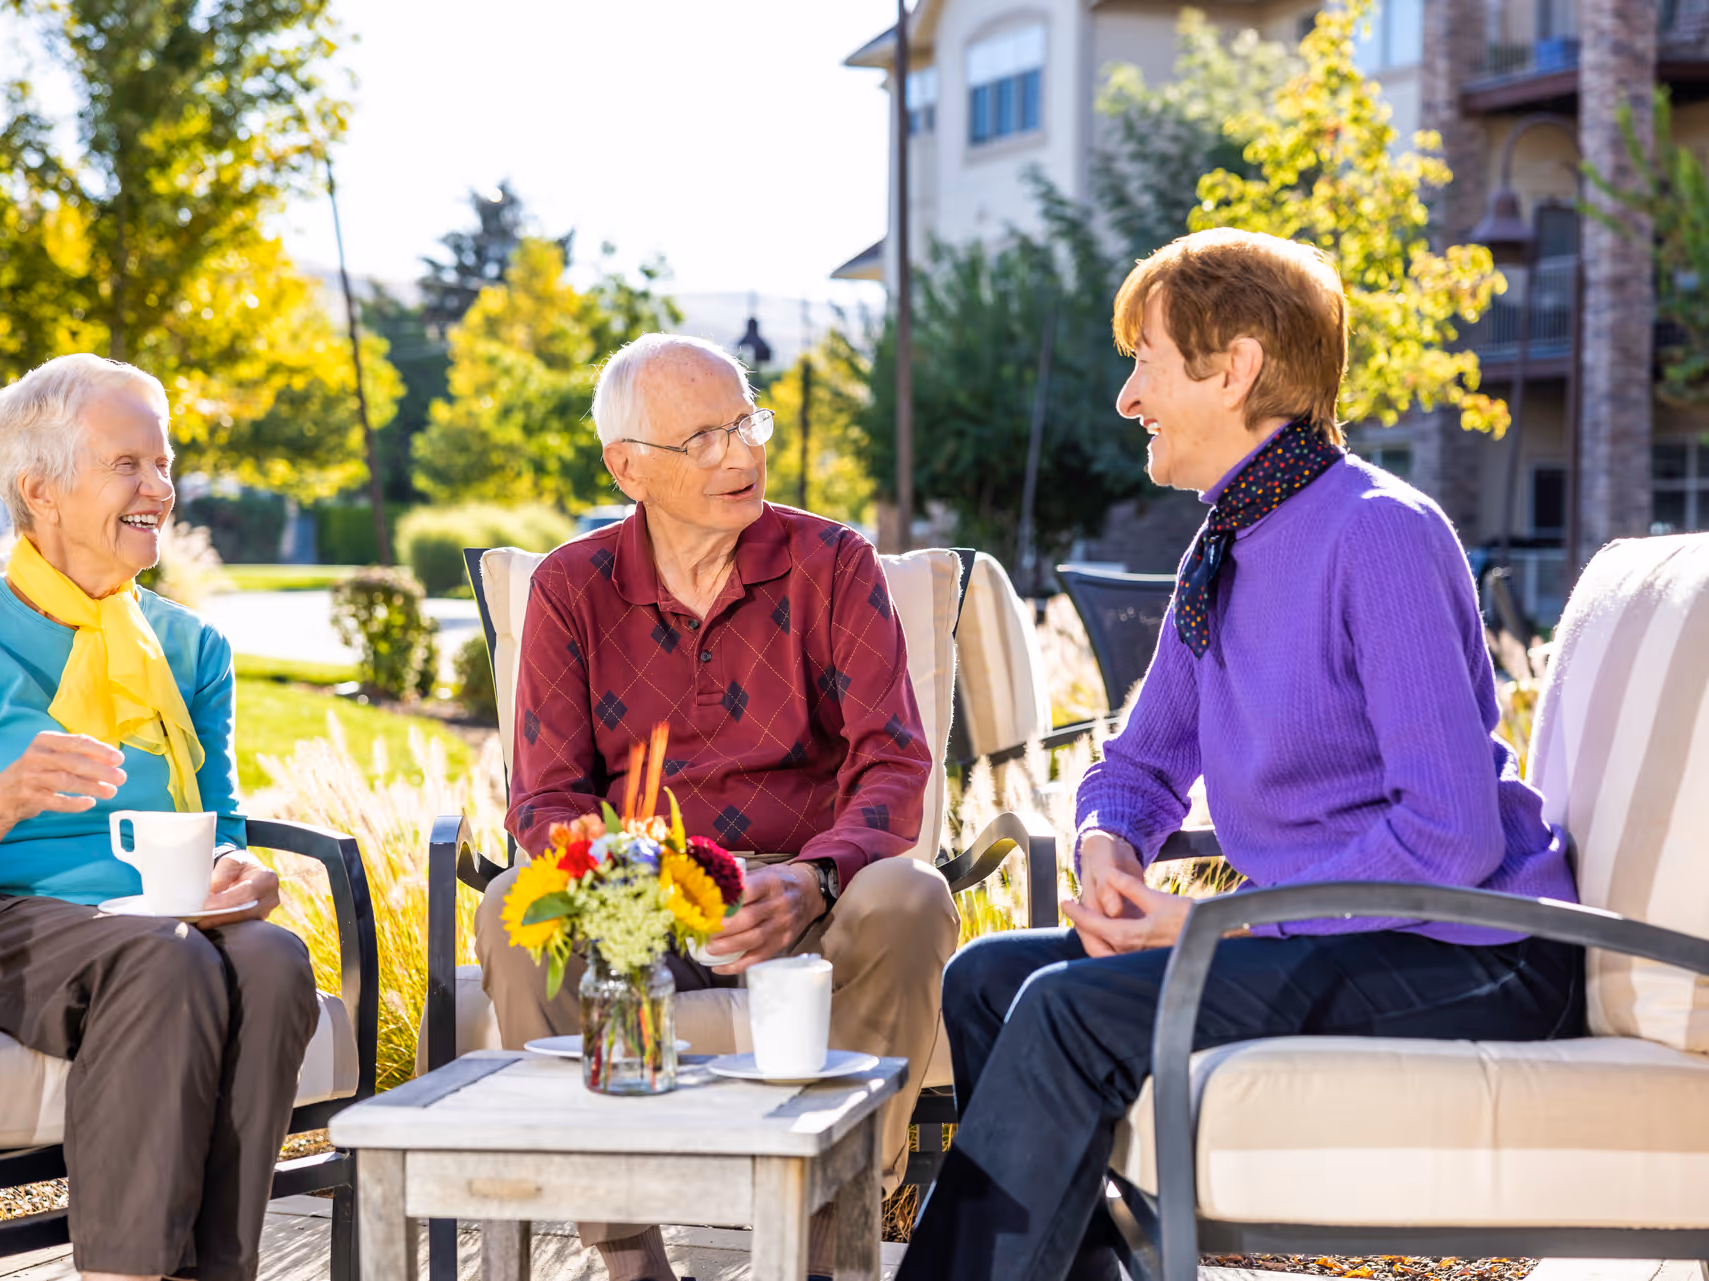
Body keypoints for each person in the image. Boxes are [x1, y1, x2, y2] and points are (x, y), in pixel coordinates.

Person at [898, 229, 1584, 1281]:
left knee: (1065, 1007)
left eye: (1148, 361)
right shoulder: (1225, 545)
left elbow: (1450, 836)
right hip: (1336, 934)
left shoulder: (1379, 533)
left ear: (1238, 366)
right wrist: (1106, 850)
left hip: (1471, 954)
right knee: (988, 979)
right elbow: (1138, 763)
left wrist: (1219, 922)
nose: (1129, 398)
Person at [475, 332, 958, 1281]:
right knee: (510, 912)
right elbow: (547, 794)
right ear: (627, 468)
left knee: (909, 898)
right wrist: (629, 882)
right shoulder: (571, 588)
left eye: (746, 423)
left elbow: (894, 765)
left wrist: (814, 878)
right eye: (702, 438)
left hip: (807, 904)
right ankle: (631, 1258)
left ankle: (823, 1256)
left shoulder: (833, 563)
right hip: (640, 908)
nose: (739, 454)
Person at [0, 353, 315, 1281]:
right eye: (127, 465)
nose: (160, 489)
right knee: (166, 957)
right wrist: (3, 796)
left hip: (145, 925)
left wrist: (242, 868)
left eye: (164, 462)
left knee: (270, 957)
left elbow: (218, 824)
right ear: (41, 490)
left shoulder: (188, 646)